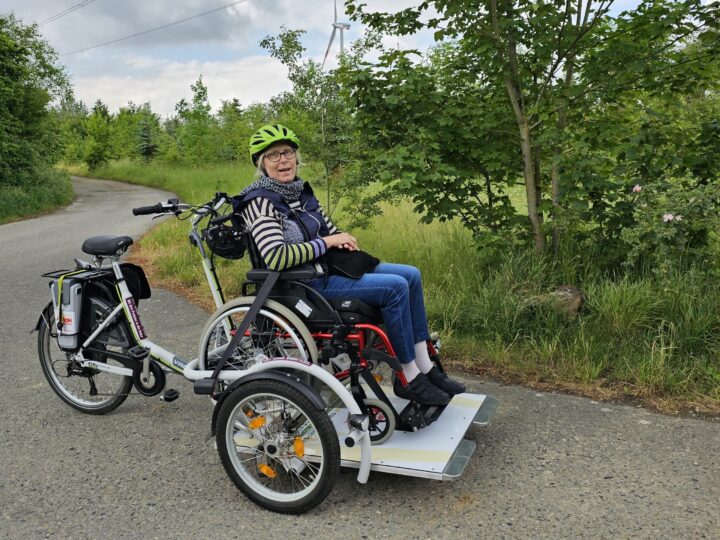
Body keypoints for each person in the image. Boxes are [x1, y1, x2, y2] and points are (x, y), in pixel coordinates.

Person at [234, 124, 465, 405]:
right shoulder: (259, 202)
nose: (283, 160)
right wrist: (329, 243)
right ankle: (408, 377)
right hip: (303, 285)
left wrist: (341, 239)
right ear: (261, 164)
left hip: (329, 270)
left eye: (288, 152)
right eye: (273, 156)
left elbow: (327, 229)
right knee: (394, 288)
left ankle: (425, 366)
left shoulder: (298, 193)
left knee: (411, 275)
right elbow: (276, 257)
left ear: (296, 157)